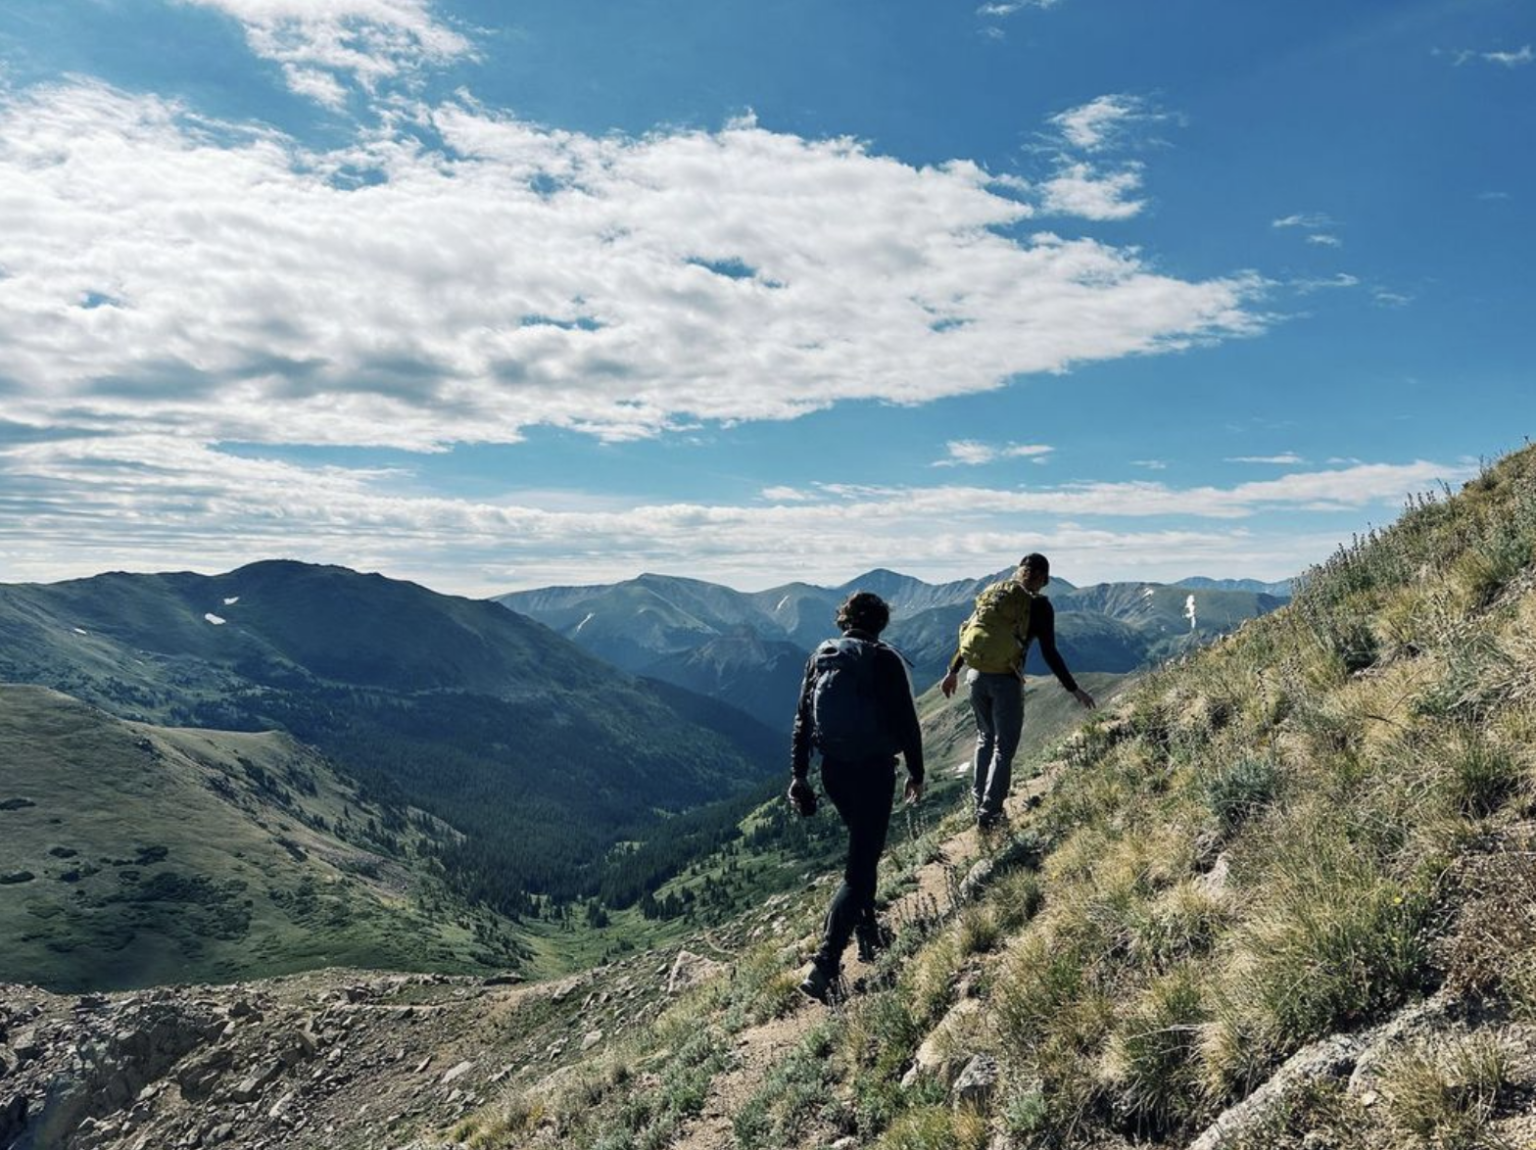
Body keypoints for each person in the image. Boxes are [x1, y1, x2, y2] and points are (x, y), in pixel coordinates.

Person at [788, 590, 924, 1004]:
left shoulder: (821, 656)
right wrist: (917, 772)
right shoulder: (883, 659)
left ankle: (868, 933)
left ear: (844, 620)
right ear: (880, 623)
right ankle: (825, 963)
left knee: (863, 853)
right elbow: (907, 721)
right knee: (859, 867)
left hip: (834, 772)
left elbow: (802, 720)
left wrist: (798, 775)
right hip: (873, 771)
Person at [940, 553, 1094, 832]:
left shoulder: (995, 595)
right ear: (1043, 578)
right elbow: (1049, 652)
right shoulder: (1039, 606)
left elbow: (970, 633)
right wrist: (1074, 689)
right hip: (1006, 680)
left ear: (1019, 571)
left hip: (975, 676)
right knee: (1004, 749)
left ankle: (979, 804)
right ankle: (990, 815)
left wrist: (952, 671)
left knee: (985, 739)